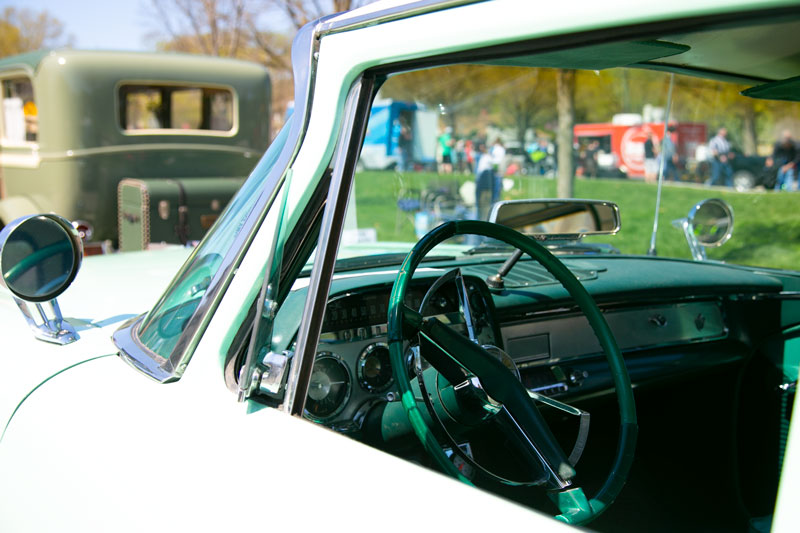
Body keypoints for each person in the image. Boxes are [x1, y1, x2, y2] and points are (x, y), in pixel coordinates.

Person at [474, 142, 495, 221]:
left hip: (484, 181)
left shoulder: (488, 157)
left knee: (484, 203)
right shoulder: (482, 157)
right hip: (481, 181)